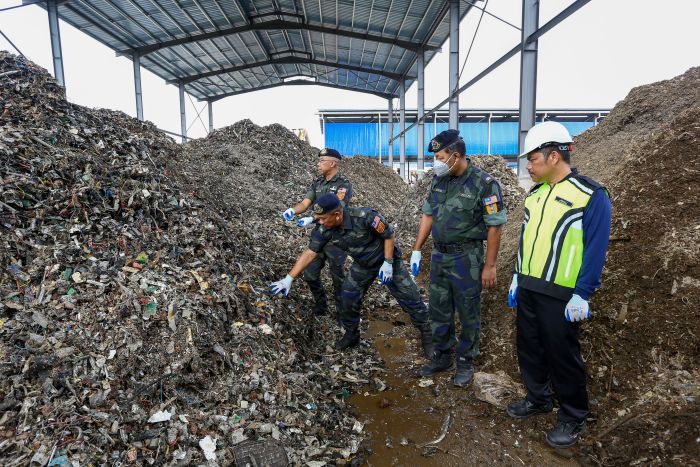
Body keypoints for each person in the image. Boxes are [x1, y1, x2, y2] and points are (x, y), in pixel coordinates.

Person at [506, 121, 612, 448]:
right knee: (529, 348)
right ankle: (537, 398)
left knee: (562, 355)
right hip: (529, 286)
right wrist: (517, 275)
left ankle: (573, 415)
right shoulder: (535, 195)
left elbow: (595, 249)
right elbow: (526, 240)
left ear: (553, 156)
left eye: (532, 159)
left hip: (561, 294)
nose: (528, 166)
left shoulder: (590, 195)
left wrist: (582, 293)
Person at [270, 193, 434, 356]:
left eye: (323, 218)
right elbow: (310, 253)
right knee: (348, 297)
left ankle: (427, 332)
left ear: (337, 214)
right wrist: (289, 278)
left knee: (410, 296)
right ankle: (351, 334)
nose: (320, 222)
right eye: (318, 219)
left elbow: (389, 235)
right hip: (363, 265)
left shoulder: (365, 217)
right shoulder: (325, 229)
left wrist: (389, 262)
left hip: (387, 261)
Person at [411, 129, 506, 387]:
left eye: (440, 157)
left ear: (455, 155)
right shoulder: (439, 181)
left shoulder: (484, 183)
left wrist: (490, 265)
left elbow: (495, 226)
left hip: (467, 257)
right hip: (439, 255)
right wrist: (417, 248)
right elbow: (428, 214)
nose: (436, 163)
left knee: (467, 310)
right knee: (438, 307)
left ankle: (466, 360)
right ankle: (442, 355)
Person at [281, 148, 352, 317]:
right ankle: (321, 305)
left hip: (337, 237)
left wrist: (311, 219)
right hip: (320, 234)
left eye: (322, 161)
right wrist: (293, 210)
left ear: (332, 163)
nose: (318, 164)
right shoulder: (317, 183)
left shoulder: (343, 184)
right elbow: (305, 203)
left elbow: (337, 208)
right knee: (310, 274)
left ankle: (343, 313)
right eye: (318, 161)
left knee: (338, 278)